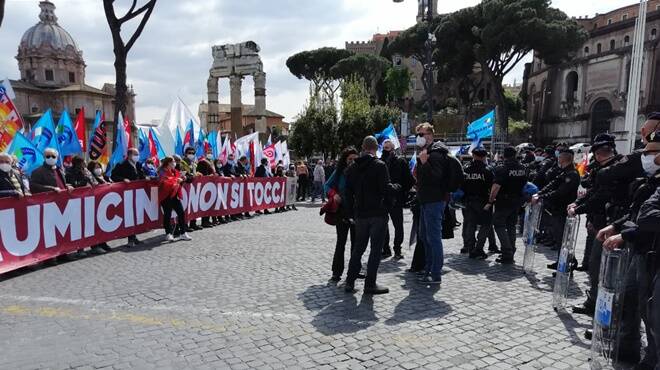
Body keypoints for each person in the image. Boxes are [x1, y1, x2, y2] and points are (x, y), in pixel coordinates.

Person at [567, 133, 624, 317]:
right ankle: (594, 304)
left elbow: (600, 197)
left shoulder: (614, 170)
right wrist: (578, 204)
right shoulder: (599, 168)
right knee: (595, 266)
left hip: (611, 225)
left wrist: (579, 209)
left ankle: (603, 311)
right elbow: (590, 191)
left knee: (602, 269)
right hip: (599, 223)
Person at [344, 136, 399, 295]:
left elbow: (347, 192)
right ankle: (370, 284)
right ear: (376, 148)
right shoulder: (379, 165)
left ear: (362, 147)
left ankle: (349, 281)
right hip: (377, 213)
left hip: (360, 214)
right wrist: (396, 188)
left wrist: (351, 212)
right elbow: (386, 189)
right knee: (375, 250)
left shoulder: (353, 167)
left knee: (358, 249)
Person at [415, 122, 463, 283]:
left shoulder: (435, 154)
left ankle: (435, 273)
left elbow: (435, 177)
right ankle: (428, 268)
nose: (418, 138)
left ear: (430, 135)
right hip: (426, 200)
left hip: (434, 200)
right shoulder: (427, 152)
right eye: (418, 135)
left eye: (421, 134)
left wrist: (424, 163)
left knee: (433, 237)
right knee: (424, 235)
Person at [533, 148, 580, 269]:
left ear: (563, 159)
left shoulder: (572, 174)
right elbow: (552, 184)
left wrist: (542, 196)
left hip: (563, 210)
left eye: (559, 157)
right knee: (560, 239)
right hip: (556, 209)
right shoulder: (563, 172)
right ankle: (562, 261)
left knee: (563, 239)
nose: (558, 158)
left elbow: (560, 192)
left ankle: (568, 263)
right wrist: (540, 193)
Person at [487, 146, 527, 264]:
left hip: (503, 201)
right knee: (511, 226)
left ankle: (507, 251)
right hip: (516, 201)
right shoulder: (522, 168)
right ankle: (511, 250)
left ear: (504, 155)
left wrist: (490, 201)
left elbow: (496, 187)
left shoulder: (502, 169)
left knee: (499, 225)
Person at [325, 147, 359, 282]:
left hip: (357, 212)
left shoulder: (361, 172)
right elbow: (326, 186)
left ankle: (354, 271)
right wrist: (334, 195)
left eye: (355, 159)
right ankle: (336, 272)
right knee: (341, 242)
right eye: (350, 159)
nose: (352, 161)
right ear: (345, 160)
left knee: (356, 244)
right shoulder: (339, 173)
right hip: (342, 212)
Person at [380, 139, 415, 260]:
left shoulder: (400, 161)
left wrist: (401, 191)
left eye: (387, 148)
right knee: (383, 225)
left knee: (398, 225)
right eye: (384, 148)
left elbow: (409, 180)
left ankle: (397, 249)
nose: (385, 151)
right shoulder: (380, 161)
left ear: (393, 148)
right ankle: (386, 249)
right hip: (383, 199)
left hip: (396, 198)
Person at [460, 147, 494, 260]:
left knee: (470, 224)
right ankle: (479, 248)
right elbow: (492, 187)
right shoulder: (488, 170)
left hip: (468, 201)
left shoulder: (466, 169)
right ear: (484, 157)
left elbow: (461, 185)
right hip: (483, 201)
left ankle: (470, 247)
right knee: (486, 224)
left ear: (473, 155)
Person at [111, 147, 145, 247]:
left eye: (137, 154)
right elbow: (113, 176)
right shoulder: (121, 165)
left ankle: (134, 237)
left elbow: (141, 175)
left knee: (136, 216)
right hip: (127, 194)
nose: (137, 156)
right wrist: (123, 179)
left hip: (138, 193)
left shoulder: (138, 164)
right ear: (129, 155)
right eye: (135, 154)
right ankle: (130, 239)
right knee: (129, 216)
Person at [158, 157, 192, 242]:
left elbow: (180, 179)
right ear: (168, 163)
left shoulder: (175, 171)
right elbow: (165, 181)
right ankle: (168, 233)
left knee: (181, 213)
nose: (175, 163)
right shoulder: (162, 171)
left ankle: (183, 233)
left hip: (175, 195)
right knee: (167, 214)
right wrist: (177, 180)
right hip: (166, 196)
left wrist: (183, 178)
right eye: (173, 162)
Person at [197, 153, 218, 227]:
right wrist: (209, 176)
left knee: (209, 204)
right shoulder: (203, 162)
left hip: (209, 186)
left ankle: (207, 220)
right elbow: (204, 175)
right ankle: (205, 221)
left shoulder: (211, 162)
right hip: (205, 186)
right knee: (205, 205)